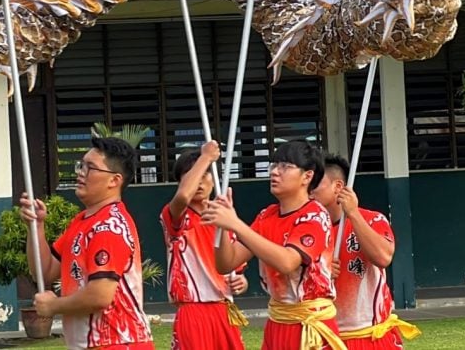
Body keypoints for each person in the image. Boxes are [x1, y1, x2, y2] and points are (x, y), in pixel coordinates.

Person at [205, 139, 344, 350]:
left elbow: (287, 262)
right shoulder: (266, 215)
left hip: (309, 326)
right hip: (278, 322)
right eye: (274, 165)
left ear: (307, 176)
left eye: (285, 166)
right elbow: (226, 263)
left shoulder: (314, 216)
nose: (275, 172)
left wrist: (236, 224)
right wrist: (223, 225)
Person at [19, 136, 155, 350]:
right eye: (81, 165)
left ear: (114, 180)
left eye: (90, 168)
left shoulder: (109, 226)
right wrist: (35, 227)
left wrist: (54, 306)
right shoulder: (82, 222)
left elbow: (100, 295)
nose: (80, 172)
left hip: (117, 342)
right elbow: (44, 273)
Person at [311, 154, 421, 349]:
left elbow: (383, 257)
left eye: (315, 183)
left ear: (338, 187)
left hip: (371, 336)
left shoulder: (372, 219)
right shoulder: (308, 229)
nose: (309, 190)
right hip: (326, 336)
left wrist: (353, 213)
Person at [160, 141, 248, 349]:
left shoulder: (225, 218)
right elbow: (183, 196)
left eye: (205, 175)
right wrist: (206, 157)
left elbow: (235, 268)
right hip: (193, 310)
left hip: (224, 309)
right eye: (192, 176)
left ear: (213, 178)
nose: (199, 182)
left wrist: (241, 281)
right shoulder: (176, 218)